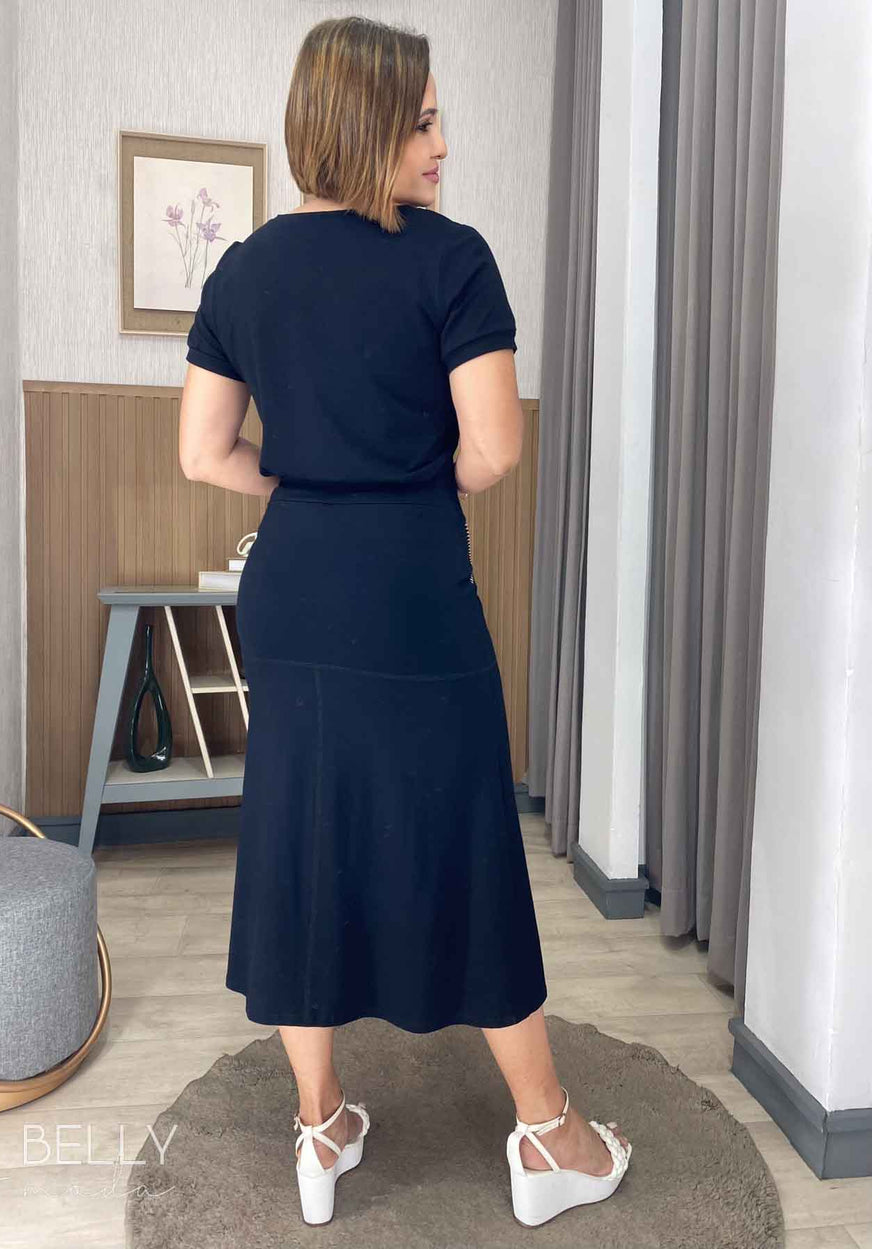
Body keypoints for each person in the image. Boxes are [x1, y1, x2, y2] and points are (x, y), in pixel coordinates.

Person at [179, 14, 630, 1229]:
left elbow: (203, 452)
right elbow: (495, 447)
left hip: (294, 588)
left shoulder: (244, 270)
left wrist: (307, 482)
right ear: (366, 124)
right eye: (424, 121)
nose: (442, 143)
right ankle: (549, 1133)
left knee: (300, 838)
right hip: (413, 591)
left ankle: (321, 1128)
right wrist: (414, 482)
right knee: (464, 836)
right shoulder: (452, 260)